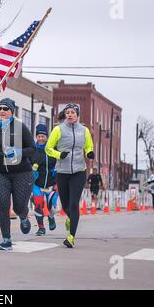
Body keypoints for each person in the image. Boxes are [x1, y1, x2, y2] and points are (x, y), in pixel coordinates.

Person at [0, 98, 36, 250]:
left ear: (12, 112)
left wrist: (18, 152)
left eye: (5, 109)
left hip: (22, 173)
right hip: (0, 173)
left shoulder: (20, 127)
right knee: (3, 204)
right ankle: (6, 240)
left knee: (19, 206)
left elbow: (32, 149)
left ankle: (23, 215)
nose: (1, 111)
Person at [46, 103, 94, 248]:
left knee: (74, 203)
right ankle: (70, 217)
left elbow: (88, 146)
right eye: (68, 112)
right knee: (65, 204)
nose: (70, 115)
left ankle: (71, 236)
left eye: (73, 112)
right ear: (65, 114)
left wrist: (89, 152)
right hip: (62, 172)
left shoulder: (84, 131)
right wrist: (59, 154)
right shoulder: (58, 129)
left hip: (79, 171)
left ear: (77, 115)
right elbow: (48, 148)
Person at [30, 124, 58, 236]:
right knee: (38, 205)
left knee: (51, 206)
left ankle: (51, 217)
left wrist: (56, 170)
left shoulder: (52, 149)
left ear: (47, 137)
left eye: (43, 136)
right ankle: (41, 227)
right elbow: (27, 163)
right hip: (37, 184)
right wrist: (32, 171)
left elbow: (60, 160)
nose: (41, 138)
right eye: (39, 136)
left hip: (51, 184)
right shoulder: (32, 150)